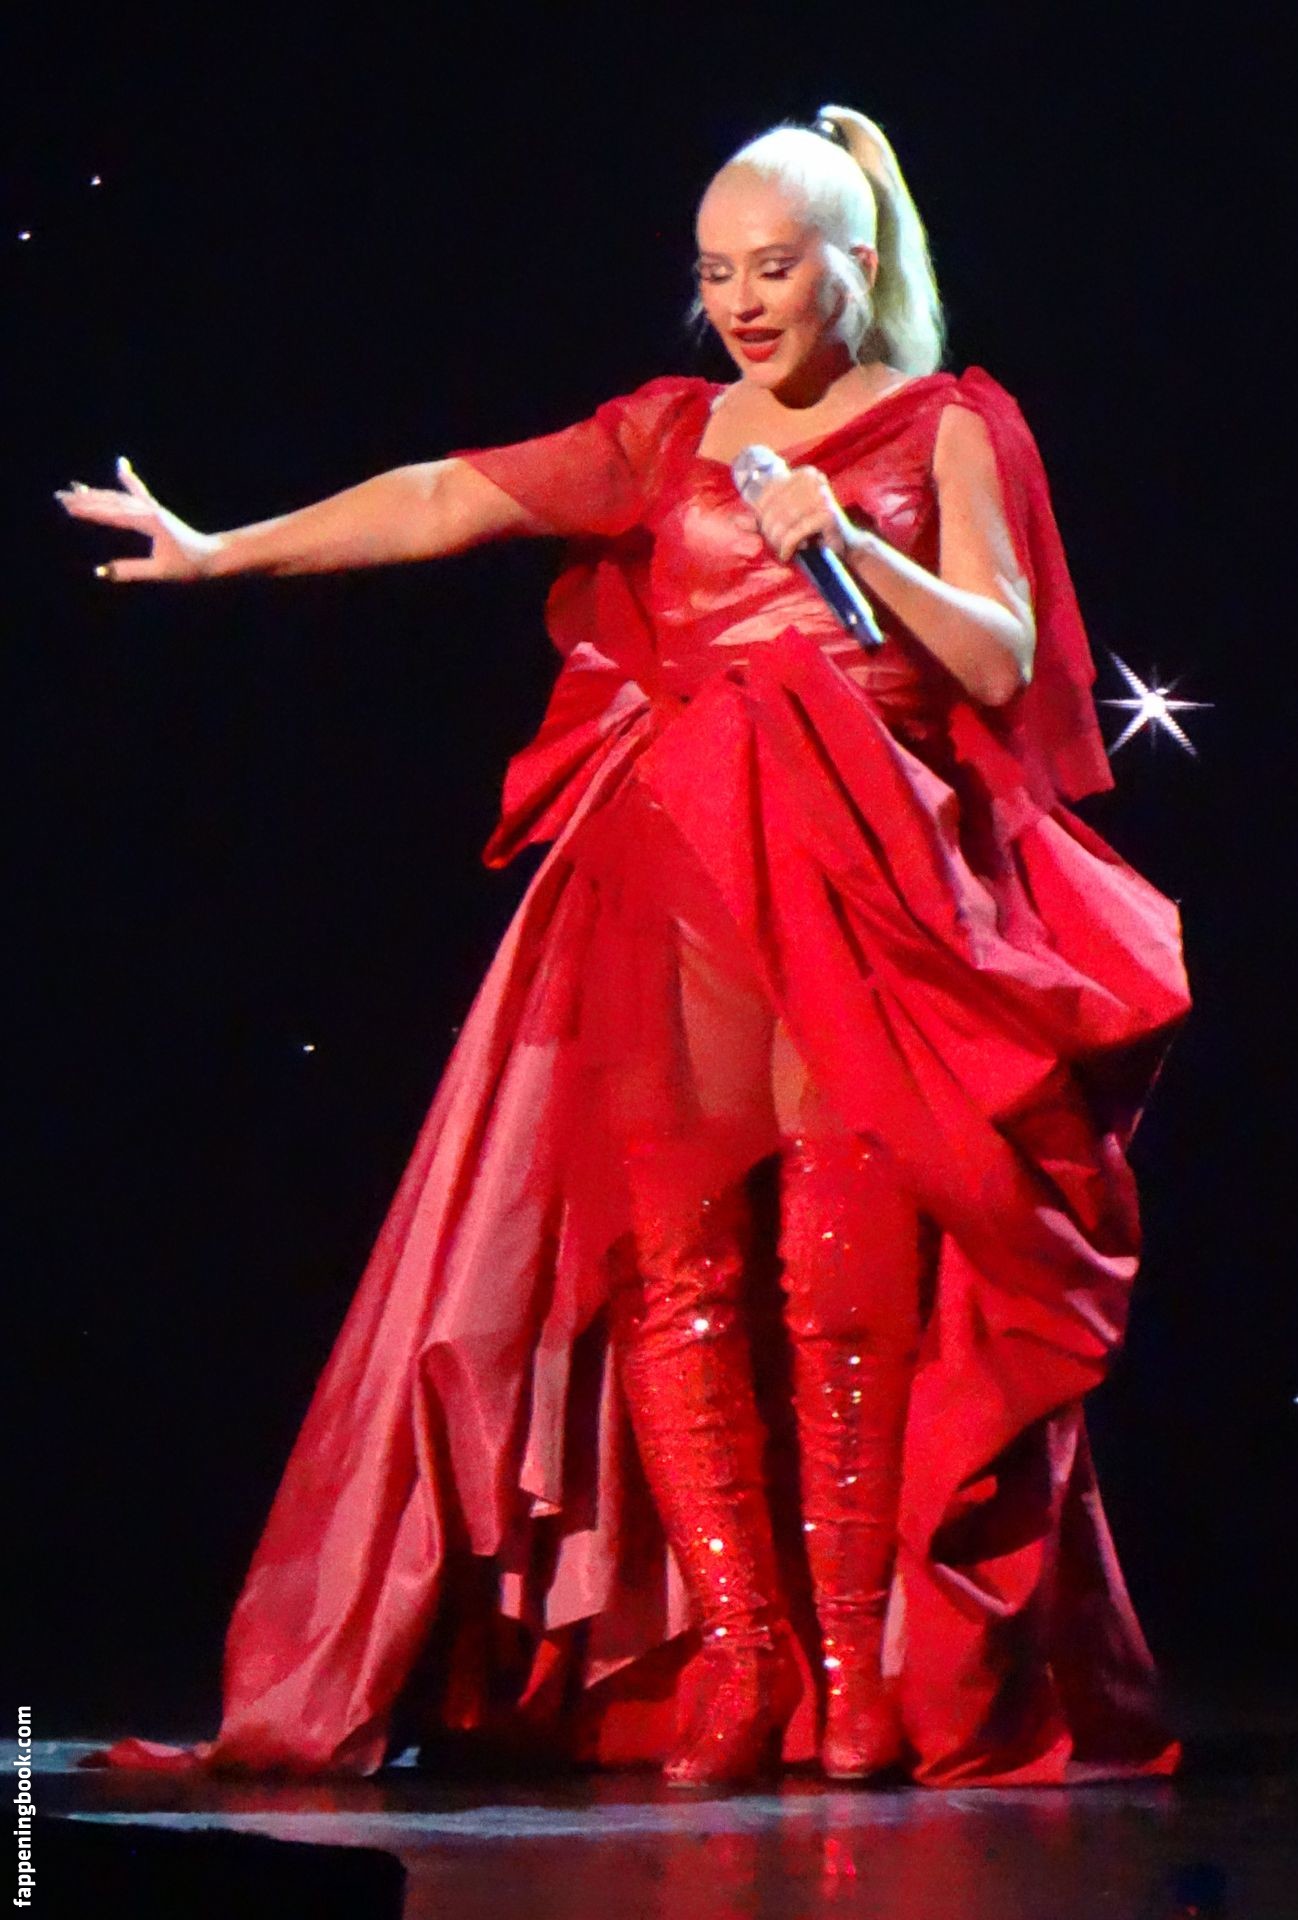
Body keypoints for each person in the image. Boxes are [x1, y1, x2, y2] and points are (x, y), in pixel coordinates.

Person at [59, 106, 1191, 1790]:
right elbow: (450, 495)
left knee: (846, 1274)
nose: (741, 301)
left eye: (774, 267)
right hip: (678, 882)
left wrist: (844, 541)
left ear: (855, 264)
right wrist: (229, 548)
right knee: (677, 1271)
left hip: (869, 887)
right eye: (716, 271)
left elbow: (1001, 653)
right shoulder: (670, 434)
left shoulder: (951, 424)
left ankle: (857, 1673)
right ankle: (743, 1656)